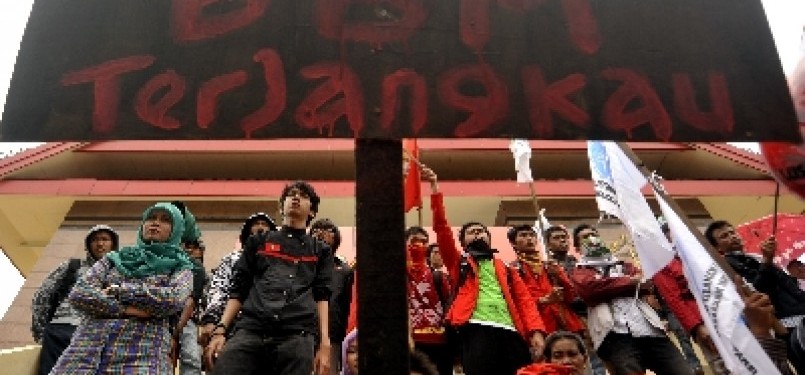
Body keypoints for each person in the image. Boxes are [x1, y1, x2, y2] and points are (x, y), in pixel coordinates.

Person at [425, 165, 546, 375]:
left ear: (489, 239)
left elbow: (524, 300)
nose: (478, 234)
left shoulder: (507, 269)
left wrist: (536, 331)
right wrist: (435, 189)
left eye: (481, 231)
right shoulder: (458, 263)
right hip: (475, 328)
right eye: (471, 232)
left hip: (511, 330)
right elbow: (442, 230)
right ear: (463, 242)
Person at [48, 202, 195, 374]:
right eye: (151, 218)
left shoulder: (180, 267)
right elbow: (80, 294)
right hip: (85, 352)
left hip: (142, 355)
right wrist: (125, 309)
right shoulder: (114, 259)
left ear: (176, 230)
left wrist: (119, 290)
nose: (155, 223)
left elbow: (171, 300)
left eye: (165, 220)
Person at [206, 181, 333, 375]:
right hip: (250, 330)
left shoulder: (320, 251)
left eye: (303, 196)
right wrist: (221, 329)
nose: (296, 198)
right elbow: (239, 288)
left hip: (297, 335)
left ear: (313, 212)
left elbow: (322, 296)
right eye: (291, 195)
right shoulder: (258, 242)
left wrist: (324, 345)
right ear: (282, 207)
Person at [570, 223, 693, 375]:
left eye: (594, 235)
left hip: (650, 330)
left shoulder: (625, 265)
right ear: (577, 248)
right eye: (585, 238)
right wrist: (629, 283)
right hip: (616, 336)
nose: (591, 239)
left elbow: (645, 282)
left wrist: (610, 287)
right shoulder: (579, 272)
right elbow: (589, 290)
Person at [706, 220, 805, 374]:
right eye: (724, 236)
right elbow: (756, 293)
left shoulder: (755, 256)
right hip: (785, 323)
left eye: (732, 232)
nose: (732, 236)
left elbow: (785, 284)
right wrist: (766, 261)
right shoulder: (727, 268)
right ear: (717, 247)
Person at [31, 224, 119, 375]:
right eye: (95, 240)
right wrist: (41, 333)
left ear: (113, 244)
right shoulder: (72, 266)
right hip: (61, 330)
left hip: (98, 335)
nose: (100, 244)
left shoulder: (119, 273)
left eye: (105, 239)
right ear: (88, 245)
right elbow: (42, 297)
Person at [198, 212, 278, 352]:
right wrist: (211, 319)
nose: (260, 227)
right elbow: (219, 288)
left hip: (271, 331)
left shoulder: (280, 262)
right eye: (256, 224)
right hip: (232, 327)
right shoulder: (231, 259)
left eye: (264, 224)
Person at [507, 224, 585, 335]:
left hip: (566, 323)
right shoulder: (512, 270)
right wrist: (544, 300)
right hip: (538, 326)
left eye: (532, 235)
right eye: (523, 235)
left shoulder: (549, 265)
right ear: (513, 243)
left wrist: (559, 275)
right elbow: (516, 302)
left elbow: (571, 296)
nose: (529, 238)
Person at [309, 218, 354, 375]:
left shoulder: (344, 271)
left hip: (334, 336)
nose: (322, 234)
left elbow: (347, 306)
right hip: (304, 333)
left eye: (328, 230)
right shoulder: (303, 266)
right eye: (317, 230)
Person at [170, 201, 208, 375]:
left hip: (188, 320)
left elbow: (193, 301)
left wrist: (176, 330)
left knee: (192, 358)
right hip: (156, 316)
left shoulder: (198, 270)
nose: (189, 250)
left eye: (194, 248)